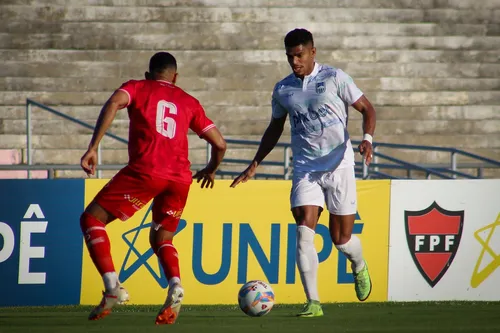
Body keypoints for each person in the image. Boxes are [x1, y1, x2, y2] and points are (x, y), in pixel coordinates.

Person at [230, 28, 376, 317]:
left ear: (312, 52)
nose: (294, 61)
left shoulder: (335, 78)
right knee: (303, 229)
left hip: (339, 164)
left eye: (299, 55)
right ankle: (314, 302)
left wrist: (367, 140)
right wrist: (255, 163)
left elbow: (367, 109)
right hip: (306, 168)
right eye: (289, 56)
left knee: (342, 240)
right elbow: (274, 128)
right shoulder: (283, 89)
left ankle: (358, 265)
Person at [79, 52, 226, 324]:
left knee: (91, 219)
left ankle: (112, 286)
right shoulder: (189, 101)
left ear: (149, 75)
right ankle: (176, 285)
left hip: (146, 171)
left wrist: (93, 147)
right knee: (162, 239)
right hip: (180, 179)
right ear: (176, 77)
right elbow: (220, 144)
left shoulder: (137, 87)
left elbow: (114, 102)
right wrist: (211, 169)